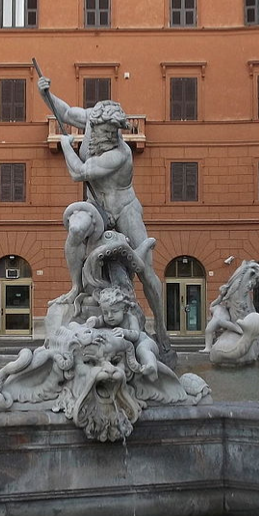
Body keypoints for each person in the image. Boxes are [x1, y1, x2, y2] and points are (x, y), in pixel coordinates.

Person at [37, 75, 173, 359]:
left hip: (124, 207)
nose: (103, 137)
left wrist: (65, 145)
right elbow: (63, 112)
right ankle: (76, 287)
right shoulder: (90, 121)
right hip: (95, 206)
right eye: (99, 131)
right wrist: (46, 93)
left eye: (109, 133)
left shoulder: (120, 154)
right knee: (76, 228)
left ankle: (161, 330)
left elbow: (79, 173)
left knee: (145, 268)